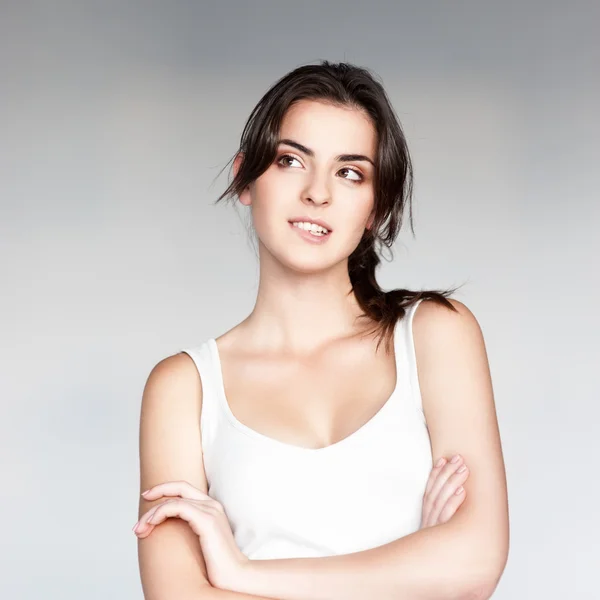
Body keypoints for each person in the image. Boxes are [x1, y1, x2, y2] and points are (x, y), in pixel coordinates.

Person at [134, 61, 509, 600]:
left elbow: (477, 561)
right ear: (246, 177)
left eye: (350, 172)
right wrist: (420, 576)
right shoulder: (182, 388)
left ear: (375, 208)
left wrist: (243, 575)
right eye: (291, 161)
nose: (318, 193)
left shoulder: (435, 336)